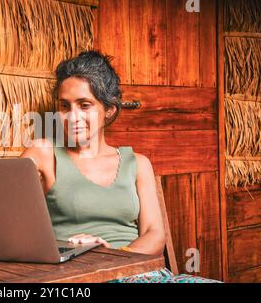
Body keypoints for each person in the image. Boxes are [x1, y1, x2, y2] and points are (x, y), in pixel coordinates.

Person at [19, 50, 221, 283]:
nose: (72, 117)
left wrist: (113, 256)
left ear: (109, 110)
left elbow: (155, 235)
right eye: (65, 106)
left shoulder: (137, 164)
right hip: (78, 277)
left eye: (84, 105)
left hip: (138, 272)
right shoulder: (43, 154)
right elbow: (9, 218)